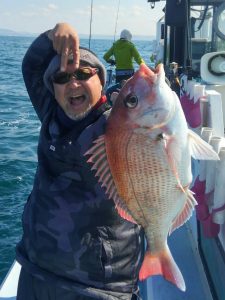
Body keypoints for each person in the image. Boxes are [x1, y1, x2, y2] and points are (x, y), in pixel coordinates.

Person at [15, 22, 144, 300]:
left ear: (101, 79)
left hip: (99, 286)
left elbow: (154, 120)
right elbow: (32, 67)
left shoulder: (119, 126)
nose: (72, 83)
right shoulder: (51, 115)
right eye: (61, 78)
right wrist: (53, 34)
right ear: (53, 89)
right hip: (35, 268)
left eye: (84, 73)